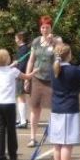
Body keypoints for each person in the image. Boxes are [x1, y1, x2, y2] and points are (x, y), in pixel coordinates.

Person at [50, 43, 80, 160]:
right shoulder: (73, 70)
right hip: (69, 109)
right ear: (68, 55)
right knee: (67, 143)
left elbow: (73, 74)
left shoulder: (54, 69)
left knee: (57, 143)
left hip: (56, 109)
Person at [25, 16, 61, 148]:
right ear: (40, 28)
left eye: (47, 27)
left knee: (55, 109)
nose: (45, 30)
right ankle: (33, 137)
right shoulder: (36, 42)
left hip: (51, 79)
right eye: (43, 27)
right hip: (37, 78)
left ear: (51, 28)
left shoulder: (56, 40)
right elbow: (31, 60)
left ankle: (55, 136)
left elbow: (63, 49)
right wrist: (28, 77)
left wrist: (55, 41)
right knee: (35, 108)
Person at [0, 49, 34, 160]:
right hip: (9, 104)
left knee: (0, 130)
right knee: (11, 130)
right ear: (6, 60)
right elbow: (27, 76)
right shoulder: (13, 71)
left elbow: (4, 69)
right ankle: (12, 154)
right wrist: (35, 71)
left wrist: (11, 65)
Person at [13, 31, 30, 129]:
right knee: (20, 97)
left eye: (16, 38)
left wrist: (18, 74)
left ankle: (23, 121)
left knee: (20, 97)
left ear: (20, 38)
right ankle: (21, 119)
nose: (15, 40)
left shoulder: (23, 49)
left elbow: (23, 63)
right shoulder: (22, 49)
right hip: (20, 74)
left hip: (20, 75)